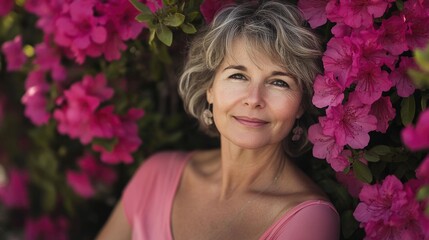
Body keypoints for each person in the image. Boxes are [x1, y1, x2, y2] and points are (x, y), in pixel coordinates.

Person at [97, 1, 340, 239]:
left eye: (279, 82)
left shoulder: (309, 219)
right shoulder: (156, 174)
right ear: (209, 89)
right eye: (238, 76)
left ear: (301, 104)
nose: (254, 99)